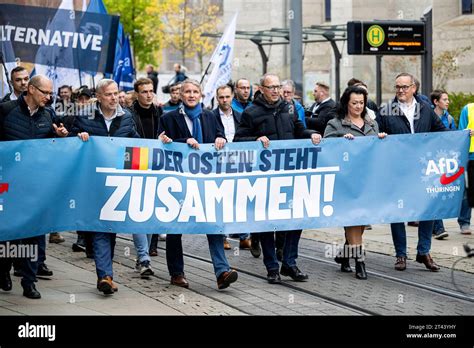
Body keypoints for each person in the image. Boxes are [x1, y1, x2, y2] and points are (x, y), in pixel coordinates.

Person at [234, 73, 322, 284]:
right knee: (267, 222)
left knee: (296, 218)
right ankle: (272, 267)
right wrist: (255, 139)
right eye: (270, 87)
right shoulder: (251, 112)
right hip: (265, 178)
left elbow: (298, 129)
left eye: (278, 86)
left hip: (290, 174)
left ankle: (289, 263)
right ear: (261, 89)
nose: (275, 90)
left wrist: (311, 133)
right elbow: (238, 140)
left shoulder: (288, 108)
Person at [158, 79, 238, 290]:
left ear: (201, 94)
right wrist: (184, 141)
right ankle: (177, 273)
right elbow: (161, 142)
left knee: (213, 224)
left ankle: (222, 272)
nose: (191, 95)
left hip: (206, 180)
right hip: (179, 182)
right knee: (175, 227)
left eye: (195, 91)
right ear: (181, 95)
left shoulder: (210, 116)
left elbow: (220, 135)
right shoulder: (169, 118)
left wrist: (221, 139)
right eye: (187, 92)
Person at [0, 75, 69, 299]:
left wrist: (59, 137)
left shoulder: (48, 115)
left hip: (35, 188)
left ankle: (29, 282)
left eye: (51, 94)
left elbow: (52, 148)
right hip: (8, 187)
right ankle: (3, 271)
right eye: (45, 93)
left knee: (33, 234)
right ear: (30, 89)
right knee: (8, 234)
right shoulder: (6, 110)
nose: (49, 98)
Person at [73, 79, 140, 295]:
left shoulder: (127, 116)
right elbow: (69, 144)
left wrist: (158, 143)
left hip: (118, 182)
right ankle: (105, 275)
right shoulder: (85, 116)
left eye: (116, 93)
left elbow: (137, 144)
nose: (114, 98)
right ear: (99, 96)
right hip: (93, 182)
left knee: (109, 228)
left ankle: (106, 274)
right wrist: (78, 137)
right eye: (109, 94)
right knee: (102, 227)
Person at [376, 72, 447, 272]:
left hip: (423, 169)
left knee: (428, 209)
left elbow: (440, 131)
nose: (400, 90)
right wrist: (380, 136)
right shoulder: (387, 111)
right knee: (397, 212)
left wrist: (461, 136)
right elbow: (375, 135)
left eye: (405, 87)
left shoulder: (425, 109)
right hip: (397, 171)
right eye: (398, 87)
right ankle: (400, 254)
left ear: (413, 88)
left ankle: (424, 251)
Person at [324, 86, 387, 279]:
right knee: (353, 219)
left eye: (361, 103)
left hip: (367, 181)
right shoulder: (335, 124)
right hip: (345, 182)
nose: (358, 106)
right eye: (354, 103)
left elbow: (377, 152)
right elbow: (326, 149)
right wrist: (341, 141)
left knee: (362, 222)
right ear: (346, 103)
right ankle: (360, 261)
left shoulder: (372, 124)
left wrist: (381, 139)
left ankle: (345, 255)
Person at [212, 84, 251, 251]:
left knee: (240, 199)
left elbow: (247, 135)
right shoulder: (210, 116)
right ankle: (222, 236)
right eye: (221, 97)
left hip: (238, 163)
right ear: (217, 98)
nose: (224, 100)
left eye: (227, 97)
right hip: (218, 164)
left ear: (232, 97)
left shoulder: (241, 116)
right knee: (222, 201)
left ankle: (244, 236)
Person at [129, 77, 163, 263]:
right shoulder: (128, 114)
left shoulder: (159, 111)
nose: (149, 95)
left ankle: (145, 254)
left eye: (151, 91)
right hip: (136, 164)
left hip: (156, 165)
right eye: (144, 92)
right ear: (137, 94)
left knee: (150, 212)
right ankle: (143, 256)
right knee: (137, 211)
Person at [430, 90, 457, 240]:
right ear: (436, 102)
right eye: (444, 99)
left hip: (444, 160)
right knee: (434, 192)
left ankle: (434, 226)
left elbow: (454, 137)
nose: (447, 102)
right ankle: (438, 228)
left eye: (448, 99)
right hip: (430, 160)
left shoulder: (450, 118)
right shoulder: (428, 117)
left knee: (438, 192)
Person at [457, 101, 474, 235]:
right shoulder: (468, 109)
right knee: (467, 190)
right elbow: (460, 133)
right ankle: (464, 221)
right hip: (470, 156)